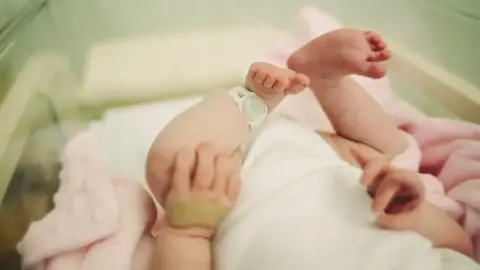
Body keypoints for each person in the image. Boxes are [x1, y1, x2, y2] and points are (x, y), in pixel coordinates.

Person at [146, 29, 476, 270]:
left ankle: (252, 104)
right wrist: (413, 212)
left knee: (172, 166)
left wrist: (187, 231)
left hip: (226, 193)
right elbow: (459, 246)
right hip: (360, 182)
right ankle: (325, 79)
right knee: (392, 150)